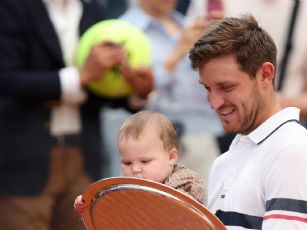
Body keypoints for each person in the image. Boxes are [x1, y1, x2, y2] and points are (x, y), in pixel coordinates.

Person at [0, 0, 153, 229]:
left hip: (84, 156)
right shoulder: (12, 7)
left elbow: (98, 89)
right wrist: (81, 76)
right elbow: (7, 80)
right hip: (24, 161)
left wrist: (135, 92)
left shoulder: (92, 9)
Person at [189, 14, 307, 229]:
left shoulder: (291, 151)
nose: (214, 103)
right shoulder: (223, 163)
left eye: (226, 87)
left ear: (265, 74)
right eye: (207, 88)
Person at [101, 0, 224, 181]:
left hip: (203, 138)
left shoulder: (189, 26)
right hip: (148, 149)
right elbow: (127, 96)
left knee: (204, 207)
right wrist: (178, 52)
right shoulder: (121, 33)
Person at [74, 111, 205, 213]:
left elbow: (178, 210)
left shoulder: (186, 180)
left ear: (171, 157)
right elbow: (109, 204)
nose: (135, 169)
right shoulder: (125, 188)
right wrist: (90, 204)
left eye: (145, 161)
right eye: (127, 163)